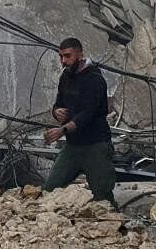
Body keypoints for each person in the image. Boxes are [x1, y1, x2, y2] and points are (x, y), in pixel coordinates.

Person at [42, 37, 116, 206]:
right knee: (49, 190)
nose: (63, 61)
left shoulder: (95, 79)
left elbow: (87, 115)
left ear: (80, 54)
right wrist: (56, 112)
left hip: (95, 146)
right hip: (73, 147)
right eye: (61, 57)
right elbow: (58, 103)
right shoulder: (66, 77)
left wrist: (62, 130)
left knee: (103, 199)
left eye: (68, 56)